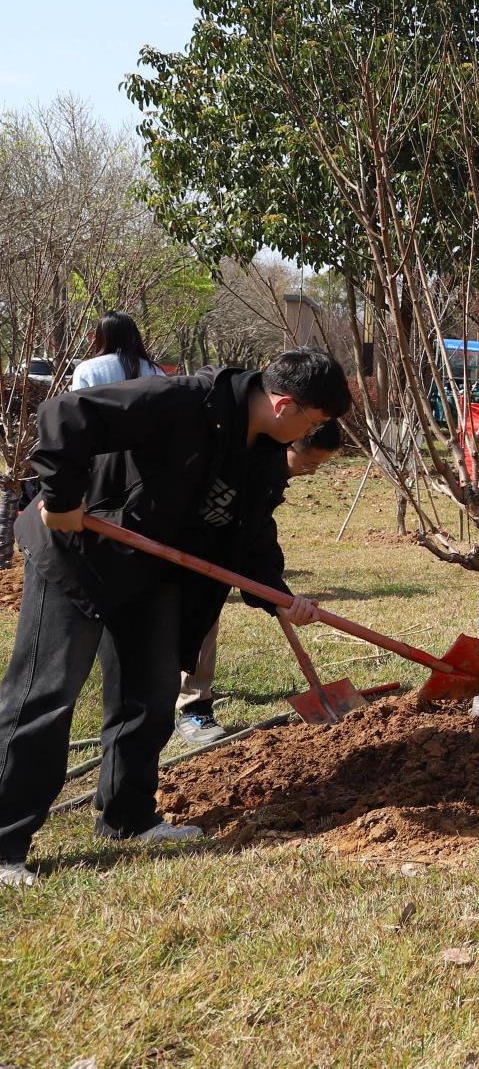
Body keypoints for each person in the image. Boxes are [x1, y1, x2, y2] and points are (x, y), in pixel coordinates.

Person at [0, 349, 349, 887]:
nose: (313, 432)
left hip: (153, 573)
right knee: (45, 697)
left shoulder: (262, 454)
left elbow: (249, 534)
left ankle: (128, 816)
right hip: (78, 551)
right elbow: (66, 415)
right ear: (284, 405)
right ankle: (5, 844)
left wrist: (278, 595)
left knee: (151, 696)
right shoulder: (184, 400)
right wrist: (63, 498)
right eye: (316, 421)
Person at [174, 419, 345, 746]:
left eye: (318, 466)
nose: (310, 471)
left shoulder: (272, 474)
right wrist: (278, 597)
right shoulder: (245, 459)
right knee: (188, 618)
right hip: (181, 543)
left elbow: (258, 538)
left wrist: (279, 597)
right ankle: (183, 706)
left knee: (203, 617)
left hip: (215, 550)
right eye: (308, 462)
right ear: (289, 442)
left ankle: (192, 703)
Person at [67, 312, 164, 391]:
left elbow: (77, 411)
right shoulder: (154, 371)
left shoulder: (86, 370)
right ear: (134, 337)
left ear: (101, 337)